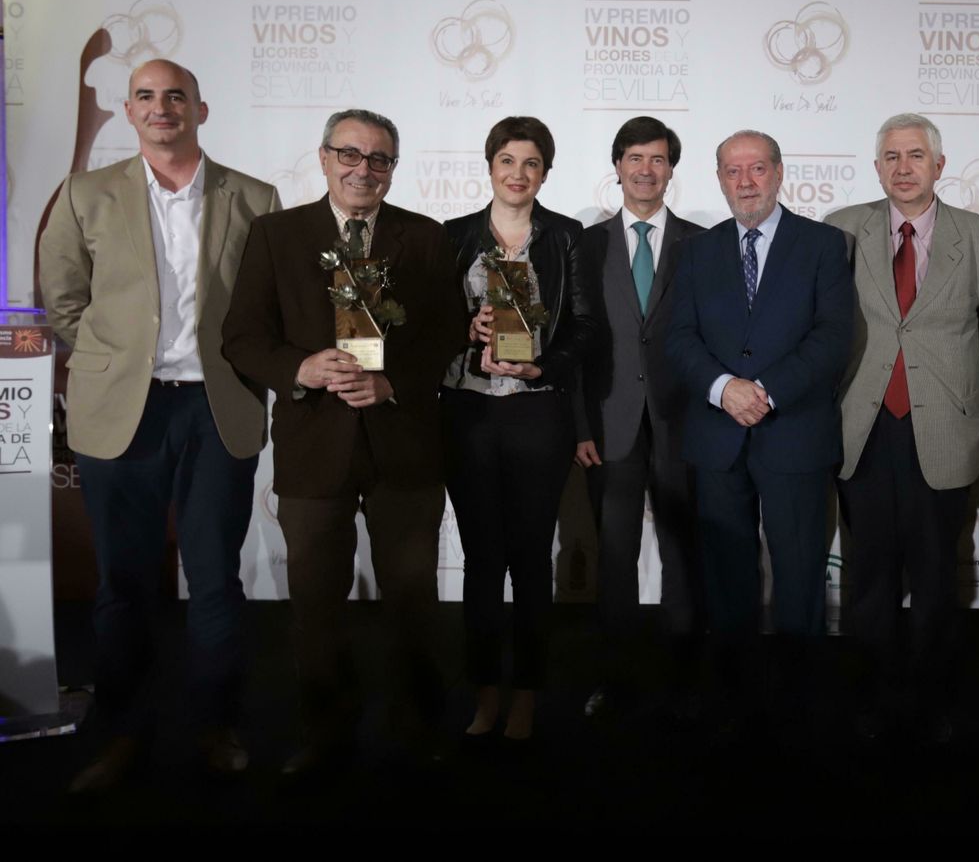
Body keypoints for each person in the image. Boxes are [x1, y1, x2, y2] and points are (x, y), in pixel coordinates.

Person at [38, 59, 281, 790]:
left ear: (200, 110)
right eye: (145, 96)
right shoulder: (85, 194)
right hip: (123, 409)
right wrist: (115, 362)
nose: (161, 107)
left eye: (176, 96)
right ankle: (123, 735)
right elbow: (62, 300)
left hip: (217, 408)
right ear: (129, 110)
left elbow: (266, 305)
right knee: (124, 584)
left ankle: (216, 725)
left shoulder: (254, 197)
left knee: (214, 582)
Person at [220, 108, 461, 777]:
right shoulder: (276, 234)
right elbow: (242, 336)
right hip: (312, 443)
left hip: (404, 445)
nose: (364, 169)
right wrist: (298, 368)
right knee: (316, 606)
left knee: (413, 600)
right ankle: (326, 736)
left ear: (393, 168)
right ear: (324, 158)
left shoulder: (425, 237)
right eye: (350, 154)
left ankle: (418, 731)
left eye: (379, 158)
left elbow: (447, 333)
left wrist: (393, 383)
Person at [825, 113, 979, 742]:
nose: (903, 168)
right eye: (892, 157)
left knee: (936, 576)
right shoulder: (839, 230)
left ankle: (935, 705)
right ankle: (870, 701)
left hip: (944, 428)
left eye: (915, 156)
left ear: (939, 165)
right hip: (863, 426)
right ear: (877, 168)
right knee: (868, 574)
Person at [664, 130, 853, 710]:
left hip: (793, 434)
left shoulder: (825, 244)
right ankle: (734, 701)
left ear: (779, 172)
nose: (745, 182)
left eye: (757, 169)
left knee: (799, 577)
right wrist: (724, 389)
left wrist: (765, 392)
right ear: (720, 179)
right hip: (718, 438)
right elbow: (679, 336)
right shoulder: (696, 251)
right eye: (732, 171)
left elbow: (833, 336)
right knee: (726, 582)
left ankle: (799, 703)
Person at [441, 116, 597, 741]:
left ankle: (527, 695)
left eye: (531, 163)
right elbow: (427, 323)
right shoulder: (453, 236)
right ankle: (484, 695)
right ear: (490, 166)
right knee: (481, 561)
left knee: (531, 559)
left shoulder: (566, 237)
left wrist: (543, 365)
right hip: (469, 413)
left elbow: (585, 327)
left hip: (538, 412)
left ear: (545, 173)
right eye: (507, 160)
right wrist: (465, 329)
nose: (518, 173)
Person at [574, 116, 703, 720]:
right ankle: (615, 678)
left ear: (671, 169)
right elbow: (573, 342)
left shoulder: (703, 244)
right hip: (609, 423)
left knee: (684, 554)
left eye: (657, 159)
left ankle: (684, 679)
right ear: (617, 166)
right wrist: (579, 425)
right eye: (634, 158)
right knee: (614, 556)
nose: (645, 170)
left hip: (685, 423)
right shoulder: (585, 244)